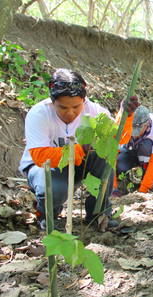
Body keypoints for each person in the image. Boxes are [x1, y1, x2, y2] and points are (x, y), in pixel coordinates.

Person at [18, 69, 139, 230]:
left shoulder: (94, 111)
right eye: (63, 108)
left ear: (84, 100)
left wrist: (126, 116)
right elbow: (40, 156)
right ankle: (47, 214)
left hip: (78, 165)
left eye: (76, 107)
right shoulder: (39, 114)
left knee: (104, 156)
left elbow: (116, 138)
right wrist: (81, 149)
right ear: (52, 101)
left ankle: (98, 213)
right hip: (44, 167)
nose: (70, 113)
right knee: (55, 190)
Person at [113, 106, 153, 195]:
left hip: (146, 153)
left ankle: (145, 177)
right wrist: (113, 186)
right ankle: (126, 178)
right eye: (132, 130)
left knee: (146, 145)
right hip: (129, 149)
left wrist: (143, 190)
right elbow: (112, 155)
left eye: (137, 131)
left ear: (146, 124)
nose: (134, 134)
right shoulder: (122, 125)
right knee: (120, 167)